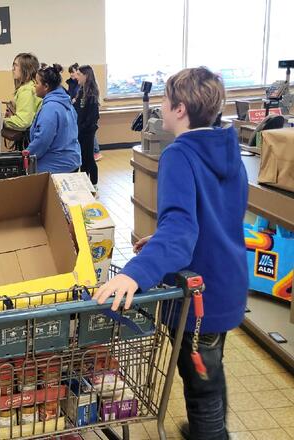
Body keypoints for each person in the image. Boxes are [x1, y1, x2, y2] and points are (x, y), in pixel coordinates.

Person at [94, 67, 248, 440]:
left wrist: (137, 272)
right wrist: (159, 242)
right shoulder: (228, 150)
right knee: (211, 366)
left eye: (164, 100)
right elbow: (214, 220)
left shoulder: (180, 154)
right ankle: (211, 429)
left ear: (180, 109)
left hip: (199, 296)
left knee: (200, 385)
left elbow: (182, 232)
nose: (159, 107)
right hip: (227, 281)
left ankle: (210, 433)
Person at [27, 64, 81, 173]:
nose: (34, 86)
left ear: (46, 86)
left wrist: (26, 155)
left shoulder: (50, 108)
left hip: (55, 166)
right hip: (72, 161)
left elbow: (42, 140)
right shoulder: (66, 102)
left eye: (37, 83)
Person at [2, 53, 42, 148]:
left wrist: (0, 122)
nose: (13, 69)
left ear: (26, 69)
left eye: (16, 65)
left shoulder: (26, 90)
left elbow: (23, 122)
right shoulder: (31, 86)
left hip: (28, 141)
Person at [74, 65, 100, 186]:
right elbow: (78, 110)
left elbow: (93, 117)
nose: (76, 76)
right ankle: (85, 185)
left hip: (87, 132)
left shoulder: (92, 94)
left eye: (78, 74)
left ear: (86, 76)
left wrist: (83, 127)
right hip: (80, 131)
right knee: (83, 160)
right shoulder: (81, 91)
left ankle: (93, 184)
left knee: (89, 159)